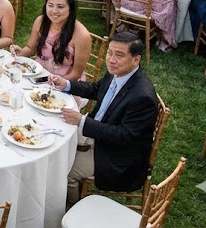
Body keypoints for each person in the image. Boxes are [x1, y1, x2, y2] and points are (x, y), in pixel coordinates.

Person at [53, 32, 159, 207]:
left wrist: (82, 121)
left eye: (119, 55)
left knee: (65, 170)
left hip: (116, 156)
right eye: (110, 53)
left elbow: (123, 136)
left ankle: (68, 212)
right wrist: (67, 85)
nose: (111, 59)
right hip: (99, 135)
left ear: (136, 59)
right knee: (54, 133)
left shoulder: (142, 97)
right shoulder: (117, 72)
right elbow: (97, 89)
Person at [12, 0, 92, 84]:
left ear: (70, 9)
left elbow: (75, 74)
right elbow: (31, 48)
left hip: (65, 82)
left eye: (60, 7)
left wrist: (52, 84)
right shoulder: (40, 21)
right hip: (39, 75)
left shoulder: (82, 35)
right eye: (50, 5)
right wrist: (21, 52)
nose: (54, 11)